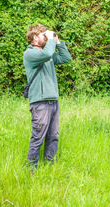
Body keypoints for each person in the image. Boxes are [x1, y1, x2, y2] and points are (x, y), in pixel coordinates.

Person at [23, 24, 72, 170]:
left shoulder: (47, 53)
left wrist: (57, 42)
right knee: (38, 137)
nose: (46, 37)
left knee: (53, 136)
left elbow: (66, 58)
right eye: (43, 35)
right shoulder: (30, 54)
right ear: (35, 37)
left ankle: (50, 164)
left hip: (53, 102)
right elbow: (46, 55)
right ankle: (31, 168)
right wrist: (50, 40)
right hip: (40, 103)